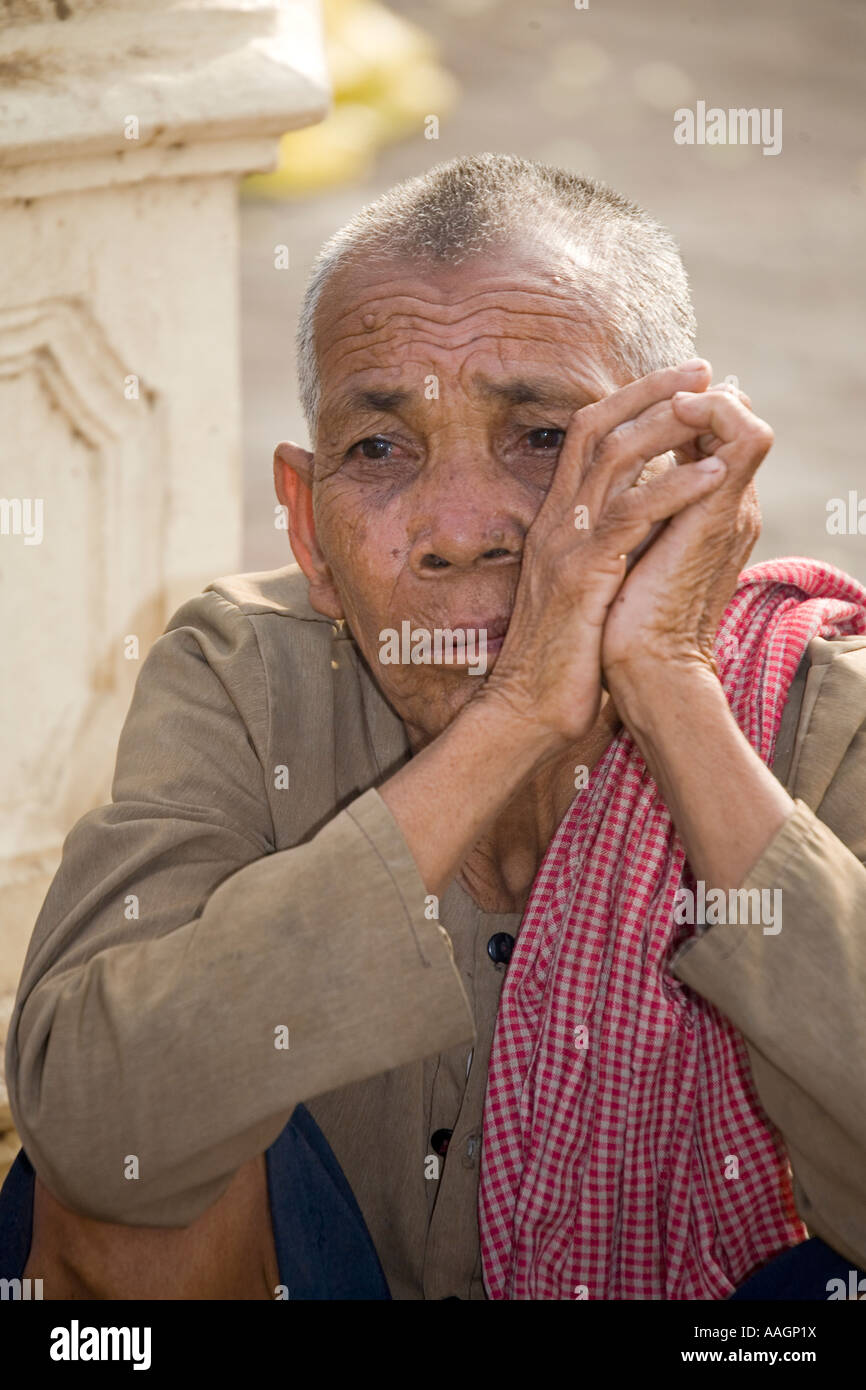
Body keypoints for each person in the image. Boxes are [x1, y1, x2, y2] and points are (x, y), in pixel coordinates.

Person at [3, 154, 866, 1300]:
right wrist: (512, 717)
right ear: (308, 529)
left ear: (675, 472)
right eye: (379, 449)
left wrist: (664, 679)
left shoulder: (810, 708)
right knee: (131, 1210)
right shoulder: (247, 674)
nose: (459, 529)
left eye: (542, 438)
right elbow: (88, 1124)